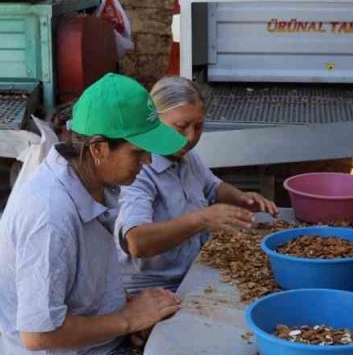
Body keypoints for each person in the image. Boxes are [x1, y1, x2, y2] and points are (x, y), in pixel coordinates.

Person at [0, 73, 187, 355]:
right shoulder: (49, 216)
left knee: (189, 350)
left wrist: (126, 311)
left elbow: (83, 281)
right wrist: (126, 319)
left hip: (94, 346)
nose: (146, 164)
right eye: (138, 153)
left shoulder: (91, 180)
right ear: (97, 148)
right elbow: (38, 335)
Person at [115, 76, 278, 293]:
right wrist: (200, 220)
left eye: (199, 127)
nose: (191, 137)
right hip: (153, 291)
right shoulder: (138, 170)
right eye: (181, 127)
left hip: (194, 270)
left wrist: (242, 198)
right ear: (153, 122)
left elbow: (212, 186)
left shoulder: (186, 157)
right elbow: (137, 242)